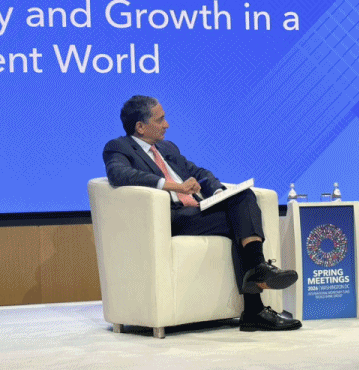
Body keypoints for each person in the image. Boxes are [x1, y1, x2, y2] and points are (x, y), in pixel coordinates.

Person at [103, 95, 302, 332]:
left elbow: (199, 173)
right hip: (172, 217)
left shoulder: (167, 148)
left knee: (244, 197)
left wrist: (218, 193)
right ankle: (254, 304)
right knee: (240, 223)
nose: (167, 124)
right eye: (160, 119)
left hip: (198, 211)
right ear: (140, 127)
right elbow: (119, 174)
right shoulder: (119, 147)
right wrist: (174, 186)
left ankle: (257, 277)